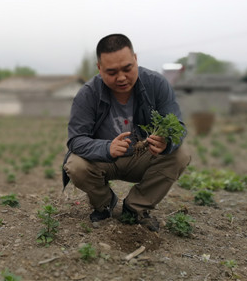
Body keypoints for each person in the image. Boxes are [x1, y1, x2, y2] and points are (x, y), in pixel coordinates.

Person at [63, 34, 191, 232]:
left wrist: (167, 142)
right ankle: (105, 204)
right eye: (112, 72)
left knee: (180, 154)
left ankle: (135, 208)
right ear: (99, 68)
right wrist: (107, 148)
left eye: (127, 68)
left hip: (144, 156)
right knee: (75, 164)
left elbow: (178, 125)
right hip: (105, 160)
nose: (121, 78)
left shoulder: (156, 84)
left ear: (136, 59)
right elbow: (76, 140)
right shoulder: (88, 93)